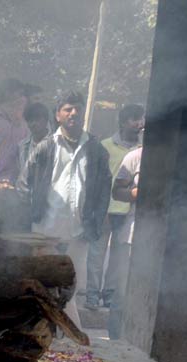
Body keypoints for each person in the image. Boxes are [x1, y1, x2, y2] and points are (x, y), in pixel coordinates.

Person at [19, 91, 111, 326]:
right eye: (68, 109)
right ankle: (62, 332)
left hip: (79, 231)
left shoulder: (96, 150)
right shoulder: (45, 147)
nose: (74, 113)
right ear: (57, 115)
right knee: (44, 283)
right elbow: (24, 183)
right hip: (46, 229)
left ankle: (63, 334)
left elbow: (103, 192)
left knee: (70, 286)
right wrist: (32, 216)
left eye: (77, 108)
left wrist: (95, 223)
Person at [87, 103, 145, 308]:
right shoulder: (105, 146)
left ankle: (109, 293)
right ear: (122, 122)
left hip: (126, 212)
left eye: (140, 119)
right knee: (96, 254)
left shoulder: (142, 151)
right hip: (105, 209)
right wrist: (96, 208)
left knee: (118, 257)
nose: (139, 123)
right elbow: (96, 180)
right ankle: (91, 293)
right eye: (134, 119)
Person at [108, 142, 143, 340]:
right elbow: (116, 191)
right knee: (123, 289)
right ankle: (115, 338)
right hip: (133, 234)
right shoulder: (135, 157)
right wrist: (132, 194)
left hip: (165, 240)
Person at [0, 79, 30, 230]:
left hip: (11, 185)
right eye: (17, 95)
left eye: (23, 95)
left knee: (8, 227)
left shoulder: (23, 124)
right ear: (7, 95)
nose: (21, 99)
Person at [19, 101, 50, 176]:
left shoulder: (57, 143)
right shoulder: (22, 146)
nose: (34, 123)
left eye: (37, 119)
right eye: (30, 120)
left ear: (46, 120)